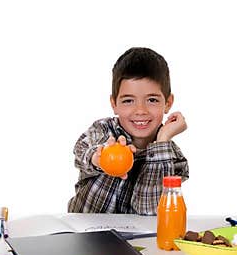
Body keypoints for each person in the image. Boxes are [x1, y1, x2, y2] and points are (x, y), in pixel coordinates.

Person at [68, 47, 188, 215]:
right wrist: (101, 158)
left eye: (152, 100)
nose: (140, 110)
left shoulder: (171, 157)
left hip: (138, 239)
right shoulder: (102, 130)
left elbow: (148, 211)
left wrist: (162, 140)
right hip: (84, 234)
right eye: (128, 101)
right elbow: (83, 152)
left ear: (168, 103)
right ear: (114, 103)